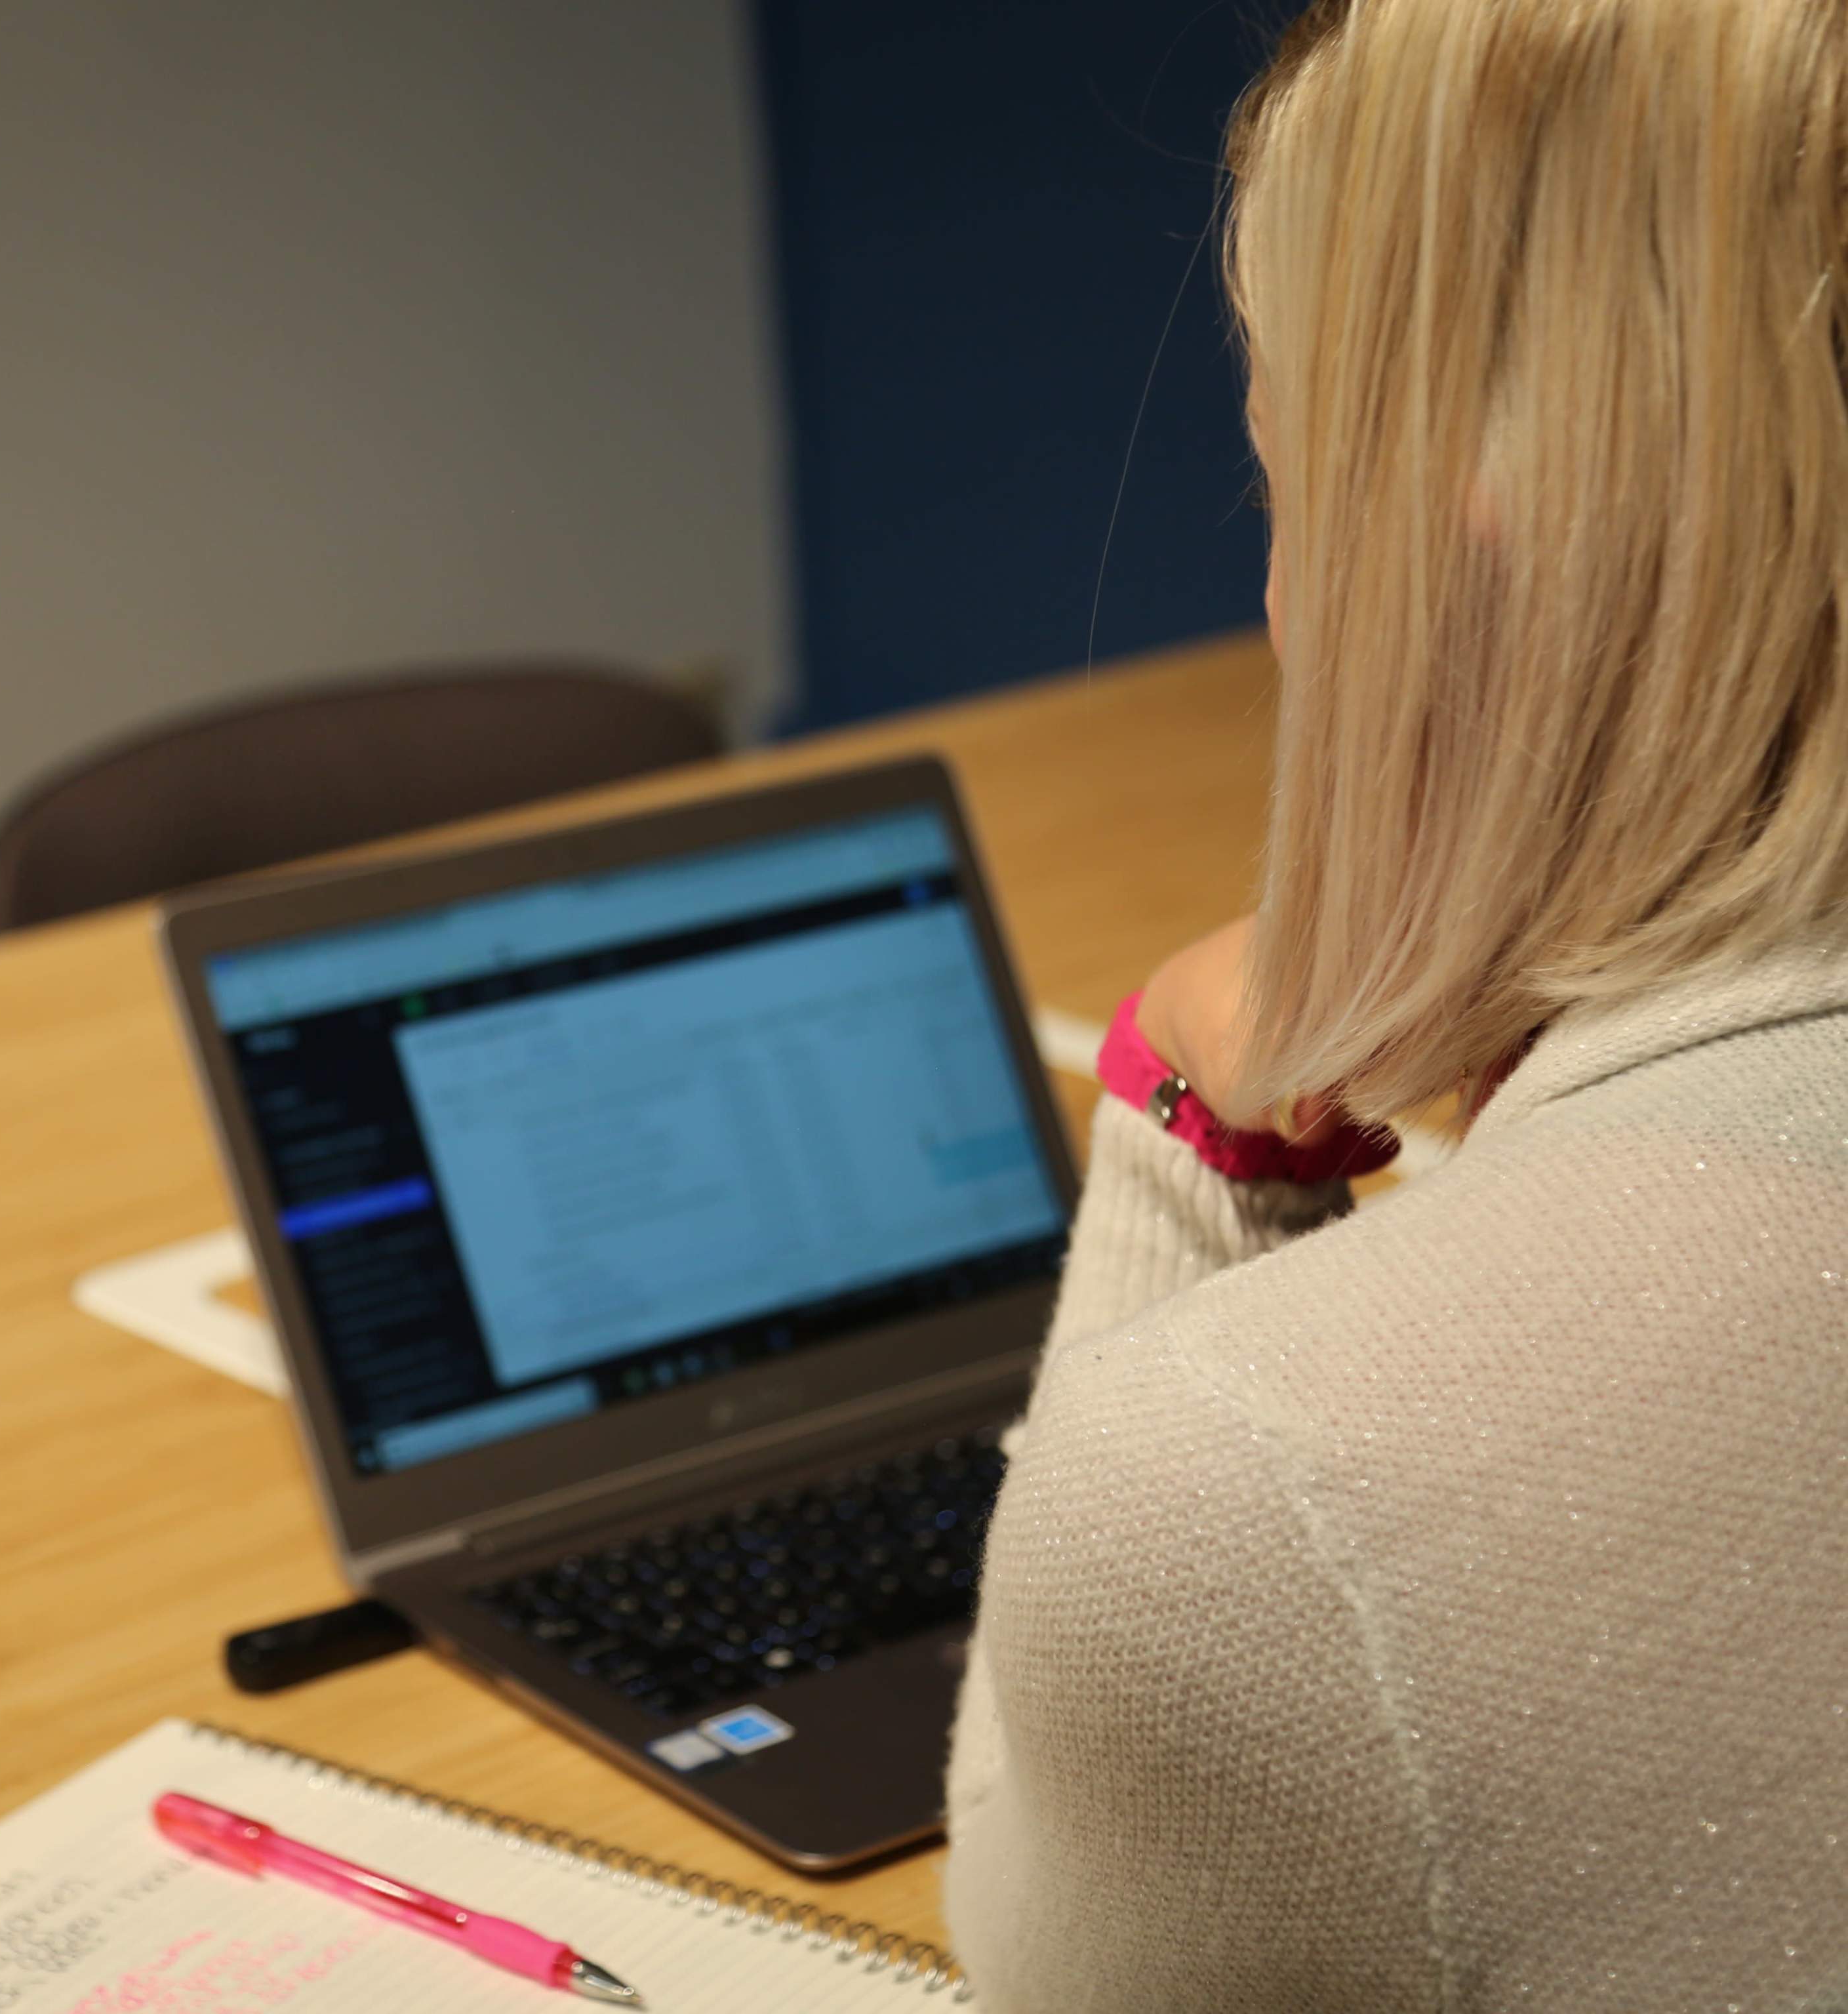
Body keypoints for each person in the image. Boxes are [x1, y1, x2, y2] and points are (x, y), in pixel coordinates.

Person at [944, 0, 1848, 2004]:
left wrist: (1192, 1124)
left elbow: (1030, 1963)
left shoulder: (1266, 1497)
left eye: (1290, 496)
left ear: (1469, 547)